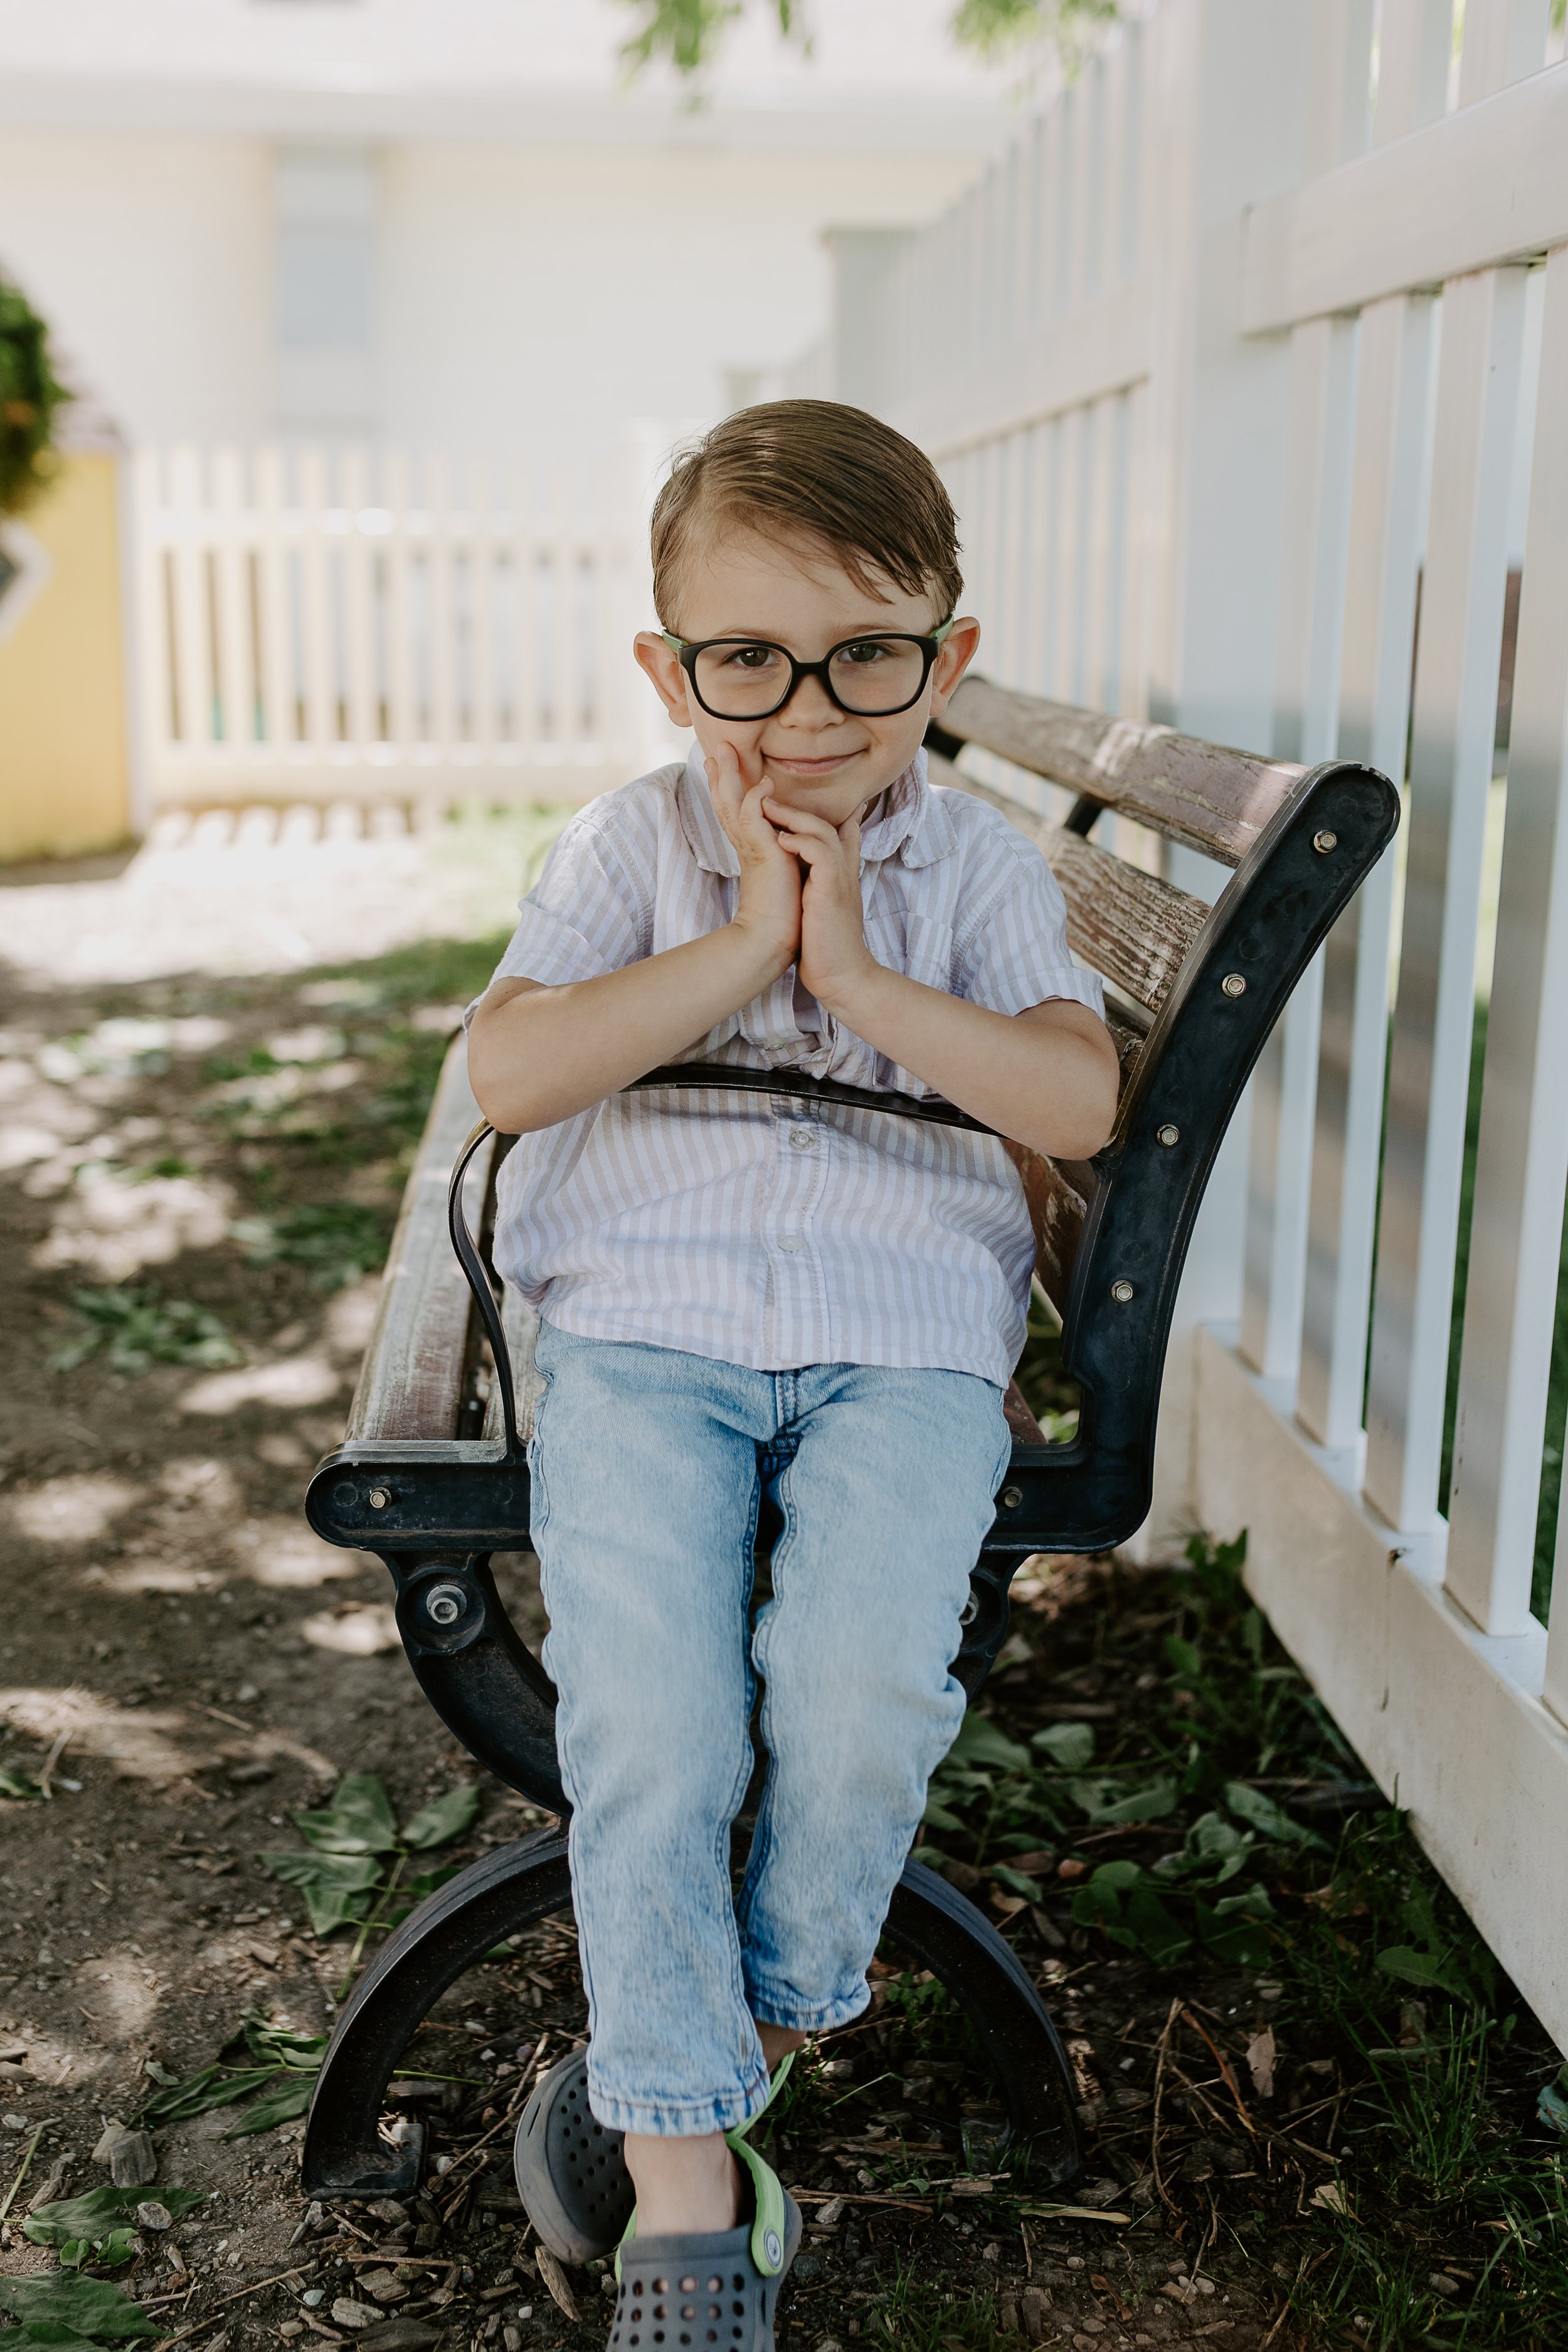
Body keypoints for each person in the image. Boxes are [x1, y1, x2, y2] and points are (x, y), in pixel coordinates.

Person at [465, 398, 1119, 2348]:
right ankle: (683, 2189)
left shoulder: (979, 876)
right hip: (644, 1335)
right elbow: (508, 1072)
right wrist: (751, 935)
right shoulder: (632, 844)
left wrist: (852, 977)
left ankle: (712, 2041)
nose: (808, 710)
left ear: (950, 659)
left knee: (852, 1692)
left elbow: (1076, 1098)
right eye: (746, 658)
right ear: (667, 668)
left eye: (866, 657)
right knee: (655, 1717)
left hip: (903, 1343)